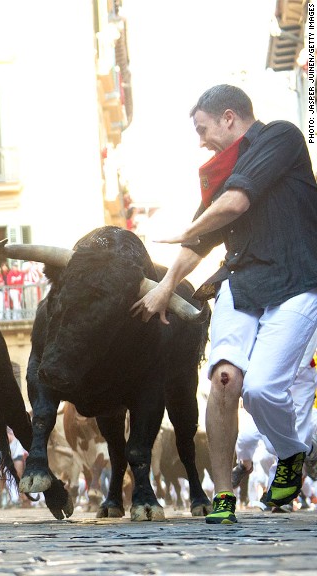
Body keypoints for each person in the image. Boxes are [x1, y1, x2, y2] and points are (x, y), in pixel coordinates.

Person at [132, 84, 317, 525]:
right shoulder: (223, 171)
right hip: (240, 283)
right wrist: (165, 286)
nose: (201, 141)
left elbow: (233, 204)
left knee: (262, 389)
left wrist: (181, 231)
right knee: (225, 380)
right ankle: (223, 495)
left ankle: (291, 453)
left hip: (297, 281)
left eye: (203, 129)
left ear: (229, 117)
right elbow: (203, 239)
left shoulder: (283, 137)